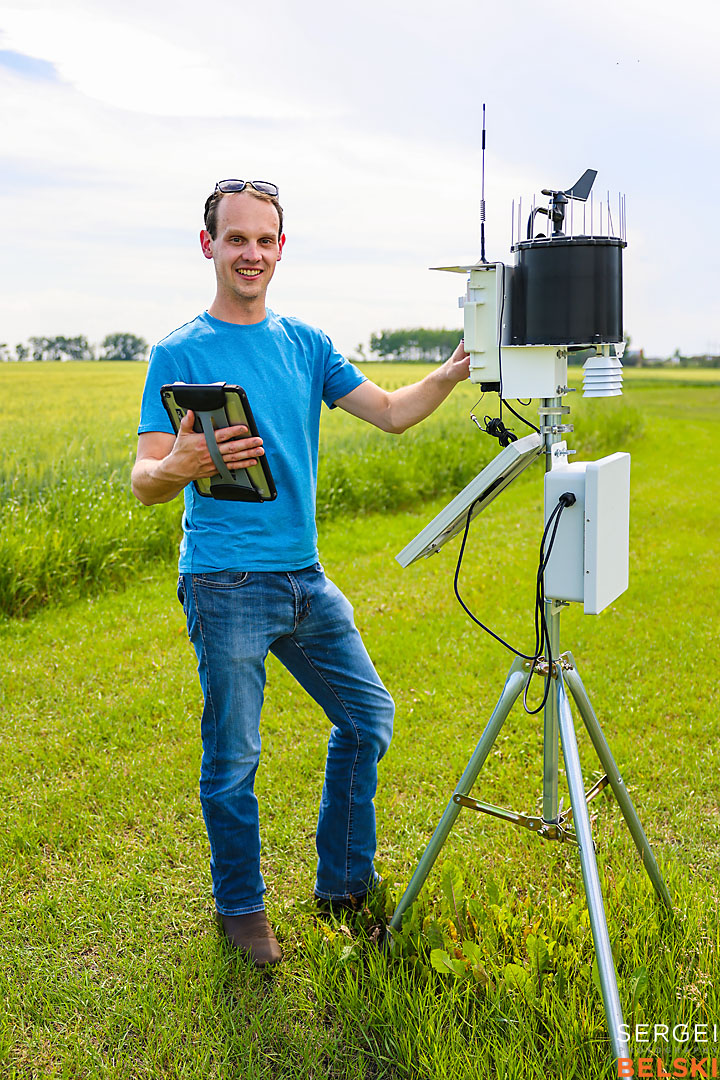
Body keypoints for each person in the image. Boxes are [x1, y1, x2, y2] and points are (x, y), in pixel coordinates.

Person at [131, 179, 470, 968]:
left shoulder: (306, 343)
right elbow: (144, 480)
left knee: (367, 718)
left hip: (305, 581)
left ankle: (343, 887)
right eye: (237, 238)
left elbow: (387, 411)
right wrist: (180, 462)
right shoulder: (179, 351)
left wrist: (448, 376)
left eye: (265, 240)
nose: (252, 253)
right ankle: (240, 908)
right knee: (235, 757)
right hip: (225, 584)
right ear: (208, 244)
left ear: (282, 247)